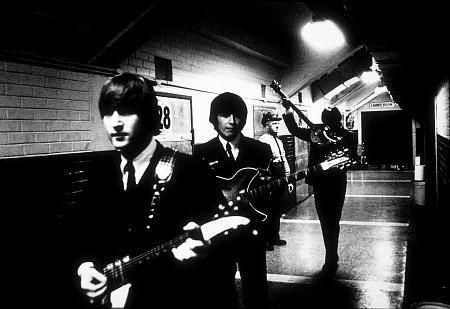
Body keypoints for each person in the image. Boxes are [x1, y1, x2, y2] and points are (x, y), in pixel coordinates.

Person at [71, 72, 232, 309]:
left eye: (126, 111)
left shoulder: (191, 170)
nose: (116, 122)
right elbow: (79, 233)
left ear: (148, 116)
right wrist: (84, 268)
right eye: (108, 113)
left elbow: (226, 247)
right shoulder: (100, 173)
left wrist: (204, 251)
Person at [194, 92, 273, 309]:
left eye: (237, 115)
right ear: (214, 118)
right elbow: (195, 198)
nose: (231, 121)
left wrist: (270, 229)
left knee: (257, 291)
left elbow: (274, 197)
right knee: (220, 293)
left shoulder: (261, 150)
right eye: (224, 115)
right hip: (217, 236)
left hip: (252, 233)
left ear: (244, 118)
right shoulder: (200, 153)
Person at [282, 103, 356, 276]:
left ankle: (331, 256)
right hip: (326, 183)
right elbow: (294, 129)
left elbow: (352, 157)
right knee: (329, 220)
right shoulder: (318, 131)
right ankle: (331, 255)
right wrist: (288, 110)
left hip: (332, 182)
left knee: (329, 220)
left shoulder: (344, 135)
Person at [259, 111, 291, 250]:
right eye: (274, 123)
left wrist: (288, 179)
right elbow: (262, 164)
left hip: (280, 176)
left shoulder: (279, 141)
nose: (277, 126)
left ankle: (275, 237)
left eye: (278, 123)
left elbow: (284, 160)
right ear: (267, 125)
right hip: (270, 177)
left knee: (278, 209)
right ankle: (267, 240)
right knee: (269, 209)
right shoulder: (263, 141)